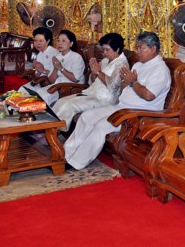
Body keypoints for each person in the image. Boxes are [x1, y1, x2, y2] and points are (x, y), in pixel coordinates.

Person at [64, 32, 171, 170]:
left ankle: (77, 162)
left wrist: (133, 82)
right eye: (136, 47)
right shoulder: (138, 65)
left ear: (153, 48)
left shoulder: (160, 70)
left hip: (138, 114)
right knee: (86, 116)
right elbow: (124, 87)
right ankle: (66, 153)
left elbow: (148, 95)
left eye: (141, 48)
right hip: (122, 106)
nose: (137, 51)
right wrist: (127, 83)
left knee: (101, 126)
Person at [53, 33, 128, 132]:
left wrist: (98, 72)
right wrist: (93, 73)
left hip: (105, 99)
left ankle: (55, 131)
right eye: (103, 49)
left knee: (70, 104)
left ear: (117, 49)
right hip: (92, 93)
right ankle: (49, 128)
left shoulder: (122, 64)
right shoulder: (106, 60)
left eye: (107, 50)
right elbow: (93, 81)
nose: (104, 53)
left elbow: (114, 86)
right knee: (61, 101)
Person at [23, 29, 85, 105]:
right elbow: (52, 80)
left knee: (40, 99)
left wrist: (61, 68)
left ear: (71, 43)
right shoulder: (57, 57)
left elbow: (75, 79)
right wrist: (55, 69)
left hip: (70, 88)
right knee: (36, 94)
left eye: (63, 41)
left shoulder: (76, 57)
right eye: (58, 41)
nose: (60, 43)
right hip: (56, 86)